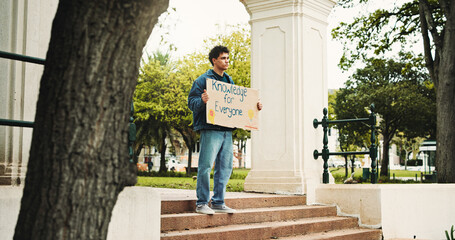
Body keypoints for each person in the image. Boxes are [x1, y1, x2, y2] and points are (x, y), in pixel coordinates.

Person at [188, 45, 262, 215]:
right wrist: (202, 100)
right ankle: (201, 203)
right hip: (210, 128)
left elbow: (238, 104)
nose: (227, 61)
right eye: (223, 58)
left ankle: (218, 202)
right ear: (214, 60)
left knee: (225, 167)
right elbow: (191, 103)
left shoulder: (229, 81)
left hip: (226, 130)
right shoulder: (202, 81)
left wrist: (255, 106)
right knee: (206, 166)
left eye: (228, 58)